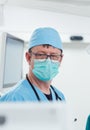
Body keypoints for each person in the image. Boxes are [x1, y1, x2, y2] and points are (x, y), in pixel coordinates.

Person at [0, 27, 65, 102]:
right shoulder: (14, 98)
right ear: (28, 57)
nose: (48, 61)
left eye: (54, 56)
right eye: (41, 55)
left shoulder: (59, 97)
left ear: (60, 59)